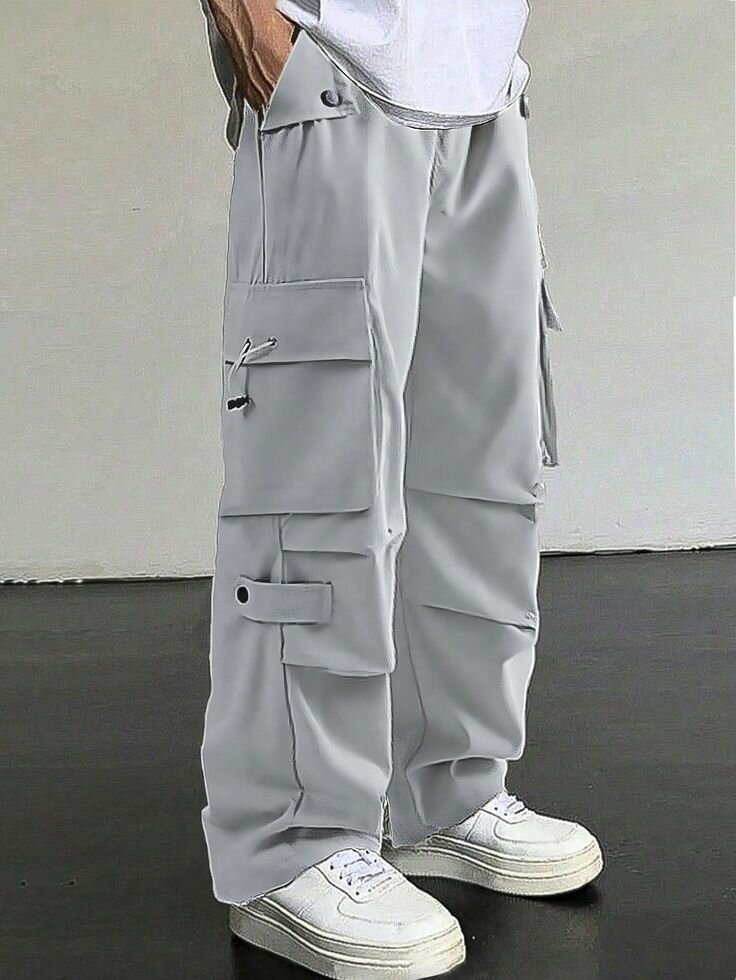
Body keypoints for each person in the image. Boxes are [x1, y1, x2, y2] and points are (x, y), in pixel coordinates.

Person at [198, 2, 603, 977]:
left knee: (478, 479)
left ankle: (449, 792)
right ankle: (291, 844)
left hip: (480, 86)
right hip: (333, 73)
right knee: (317, 484)